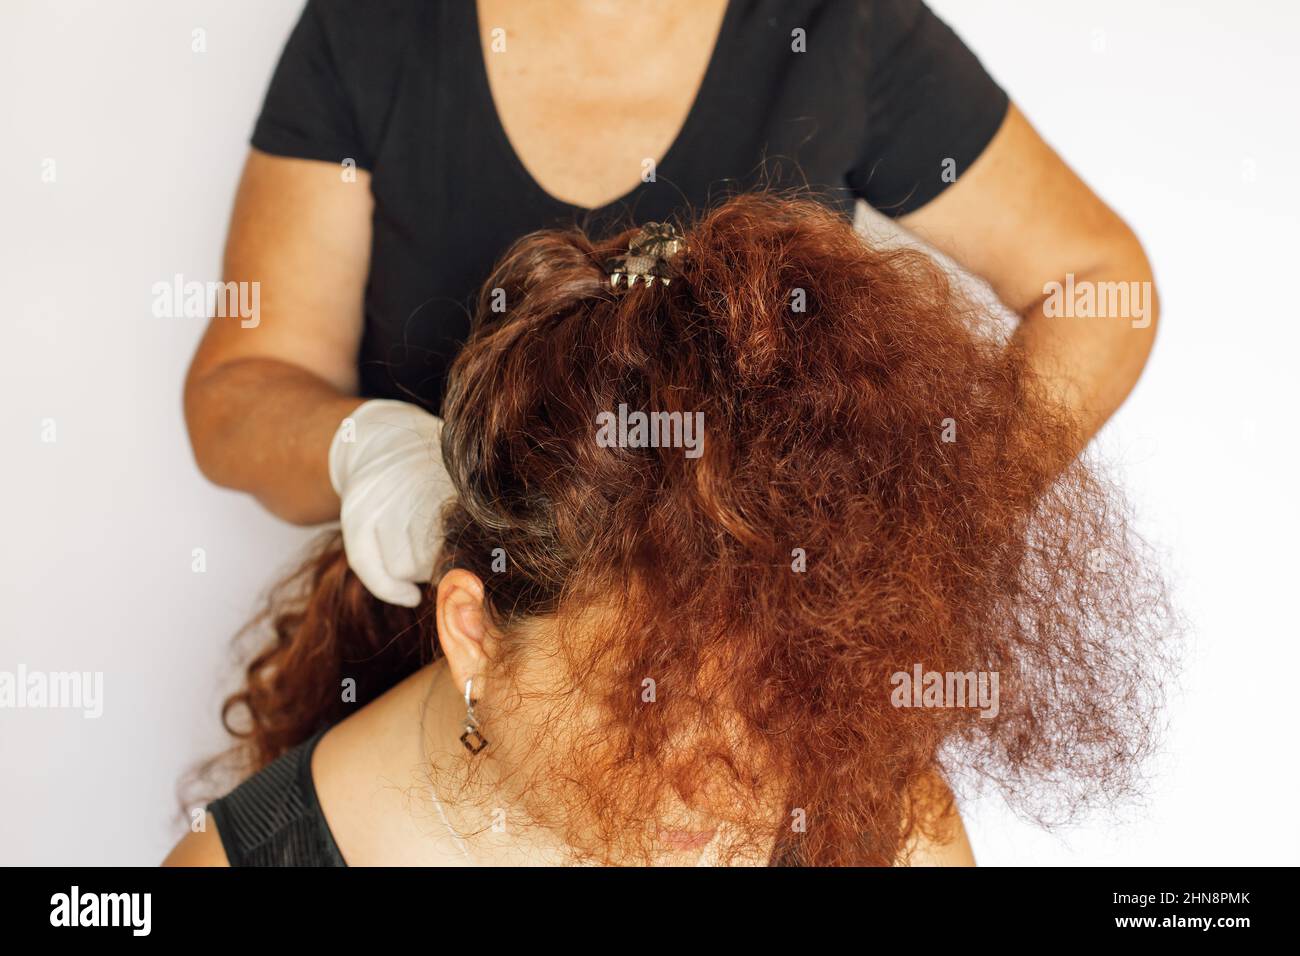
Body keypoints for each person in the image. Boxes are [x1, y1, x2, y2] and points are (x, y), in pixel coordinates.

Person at [166, 194, 1169, 866]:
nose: (721, 783)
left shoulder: (882, 821)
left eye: (771, 695)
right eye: (645, 700)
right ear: (472, 632)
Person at [183, 0, 1159, 606]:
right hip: (449, 663)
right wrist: (371, 451)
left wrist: (920, 513)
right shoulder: (372, 28)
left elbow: (1098, 283)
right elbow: (238, 390)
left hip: (745, 675)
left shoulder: (841, 26)